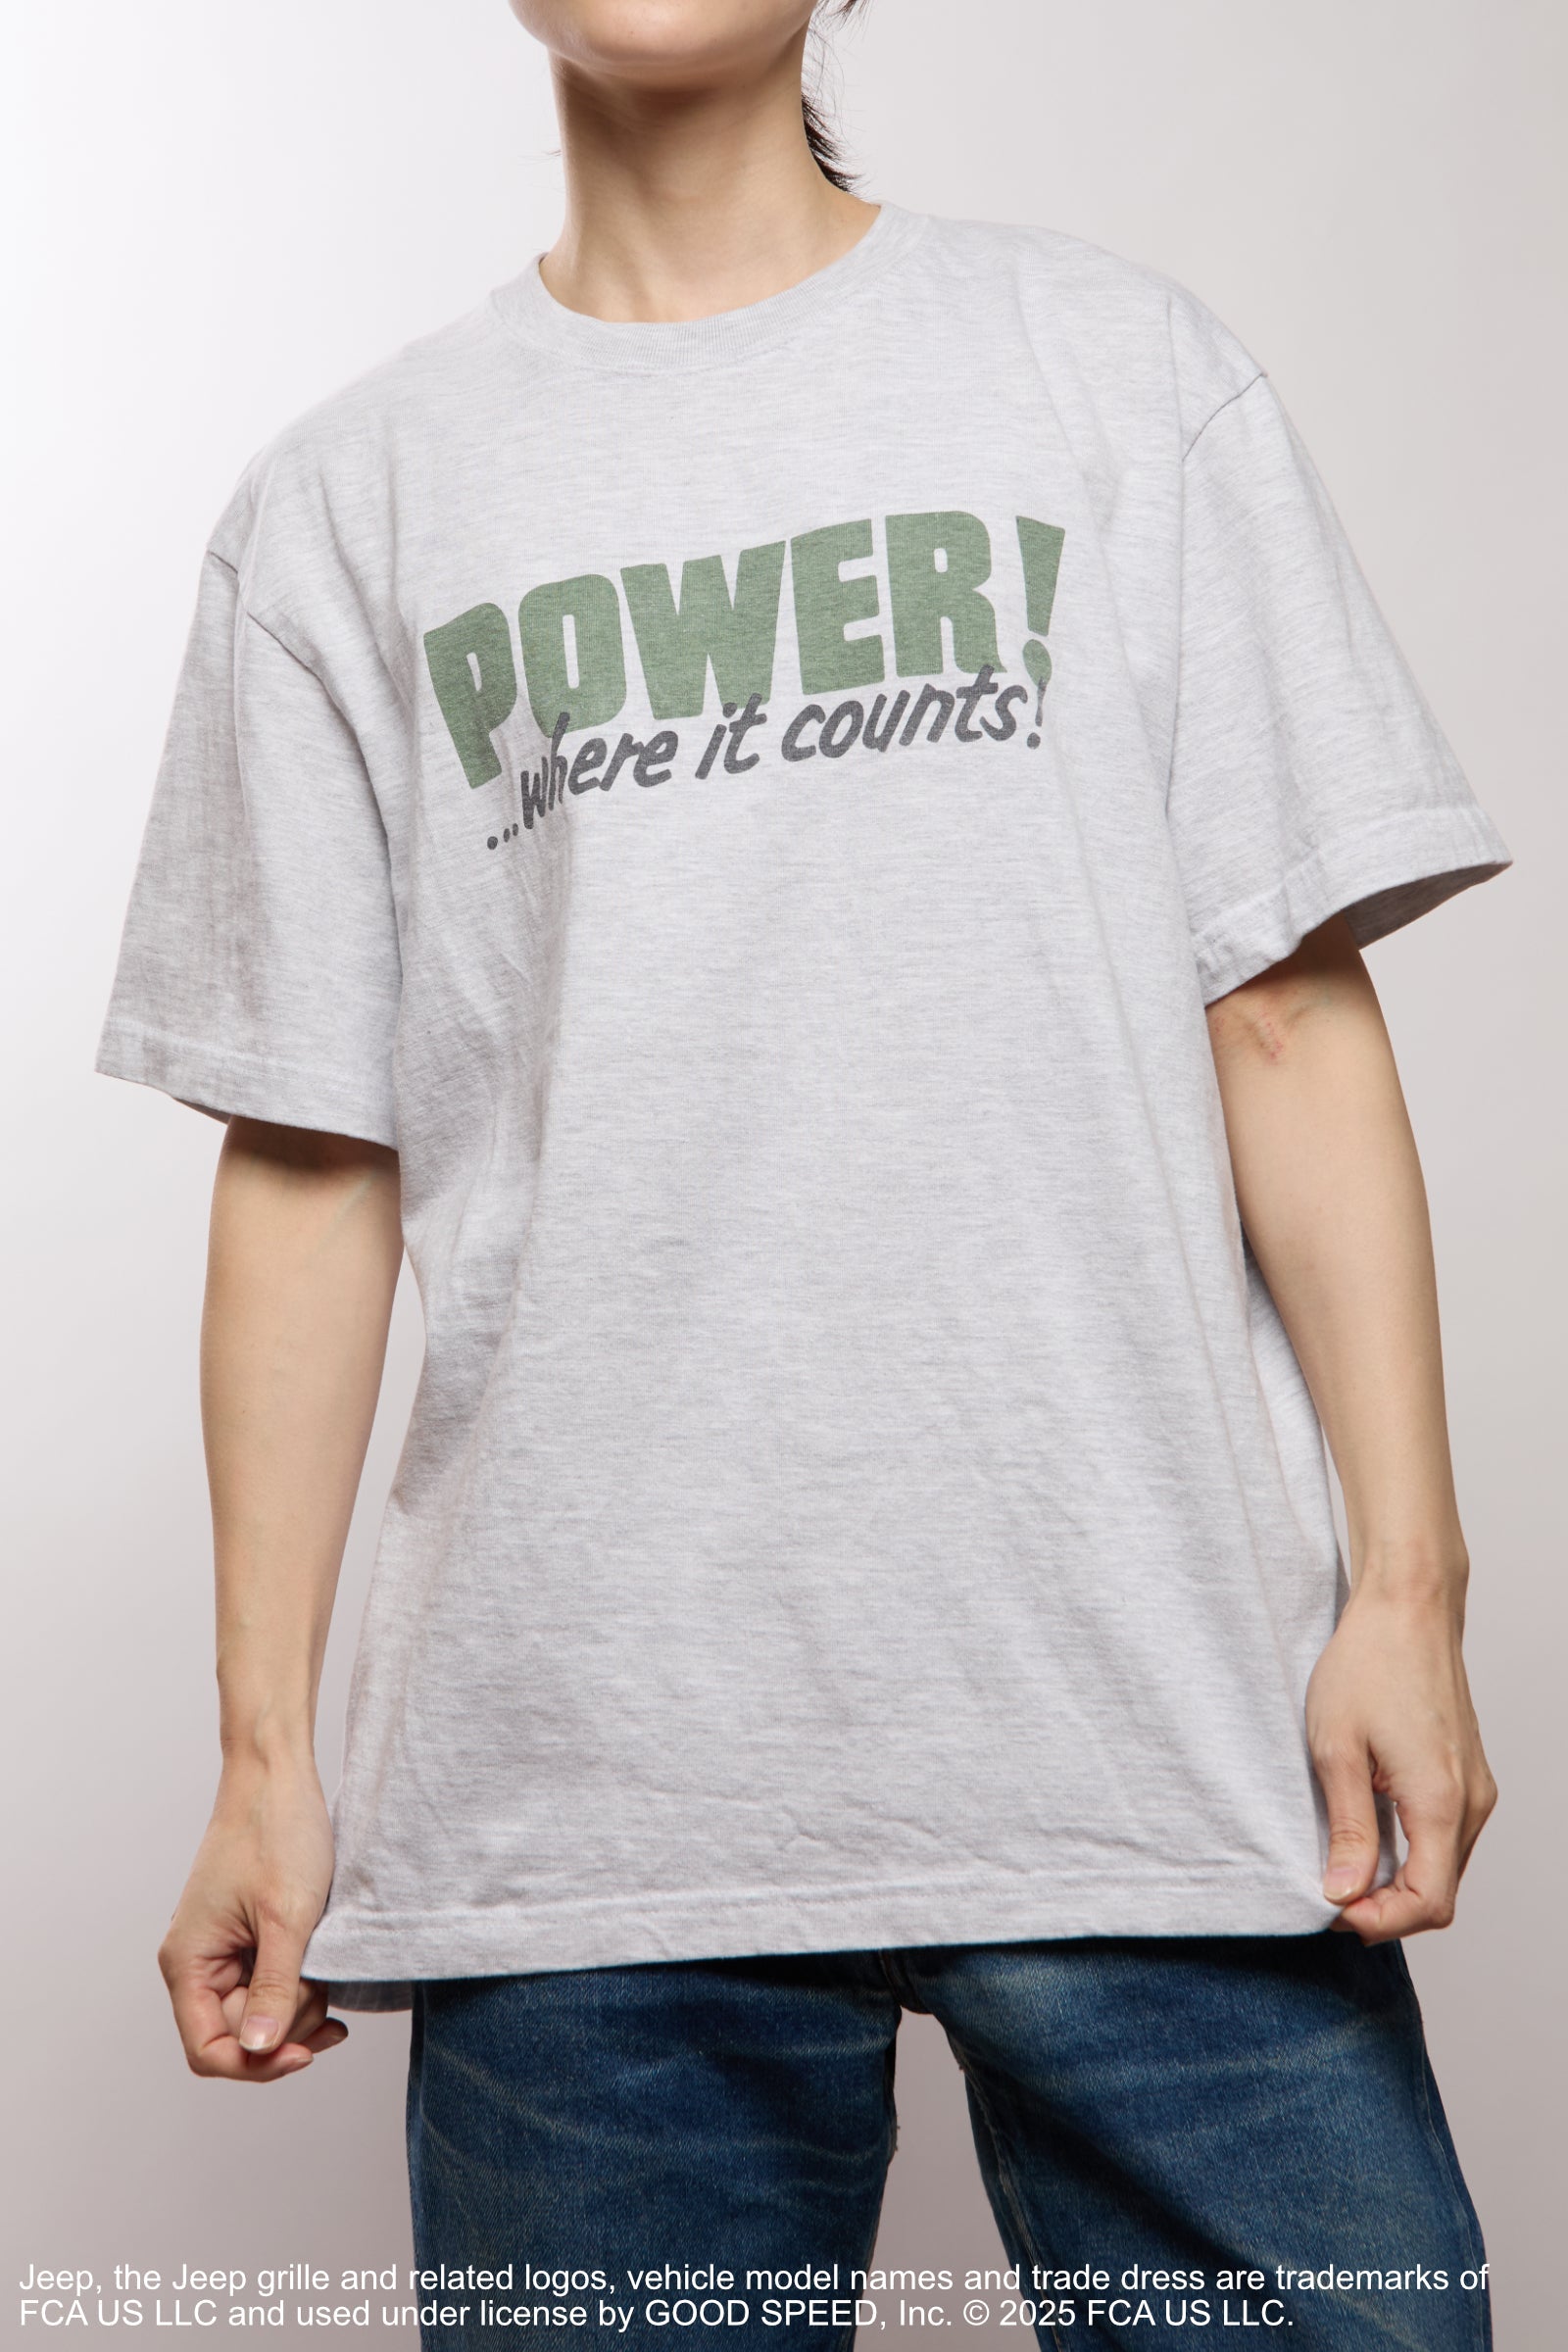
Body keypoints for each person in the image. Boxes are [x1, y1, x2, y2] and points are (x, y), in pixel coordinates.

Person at [98, 2, 1510, 2345]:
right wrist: (261, 1761)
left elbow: (1278, 1007)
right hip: (583, 1805)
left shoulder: (1111, 377)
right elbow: (309, 1153)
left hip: (1155, 1739)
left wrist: (1406, 1594)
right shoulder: (351, 502)